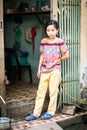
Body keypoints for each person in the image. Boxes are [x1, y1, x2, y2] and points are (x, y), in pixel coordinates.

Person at [25, 20, 69, 121]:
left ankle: (50, 112)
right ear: (46, 31)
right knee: (40, 92)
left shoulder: (60, 42)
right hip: (44, 70)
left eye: (53, 30)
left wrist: (59, 59)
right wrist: (39, 69)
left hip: (55, 70)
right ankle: (36, 113)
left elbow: (67, 55)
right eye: (48, 30)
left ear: (57, 31)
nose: (50, 32)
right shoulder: (43, 41)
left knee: (53, 92)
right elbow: (42, 55)